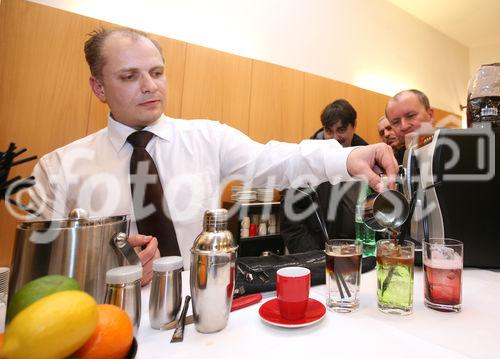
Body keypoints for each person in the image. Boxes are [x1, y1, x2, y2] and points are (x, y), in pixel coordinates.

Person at [28, 28, 397, 283]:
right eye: (129, 76)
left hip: (202, 311)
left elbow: (276, 161)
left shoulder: (207, 138)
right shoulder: (58, 169)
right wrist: (104, 269)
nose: (150, 86)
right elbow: (45, 278)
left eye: (157, 72)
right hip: (106, 324)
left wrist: (346, 159)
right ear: (98, 87)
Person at [280, 99, 368, 253]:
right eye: (329, 130)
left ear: (354, 126)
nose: (334, 138)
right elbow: (291, 220)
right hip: (316, 255)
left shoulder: (367, 160)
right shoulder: (306, 162)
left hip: (358, 255)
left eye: (341, 130)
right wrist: (314, 256)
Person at [385, 89, 434, 164]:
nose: (404, 126)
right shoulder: (393, 161)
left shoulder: (454, 145)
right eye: (396, 122)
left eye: (411, 116)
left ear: (430, 115)